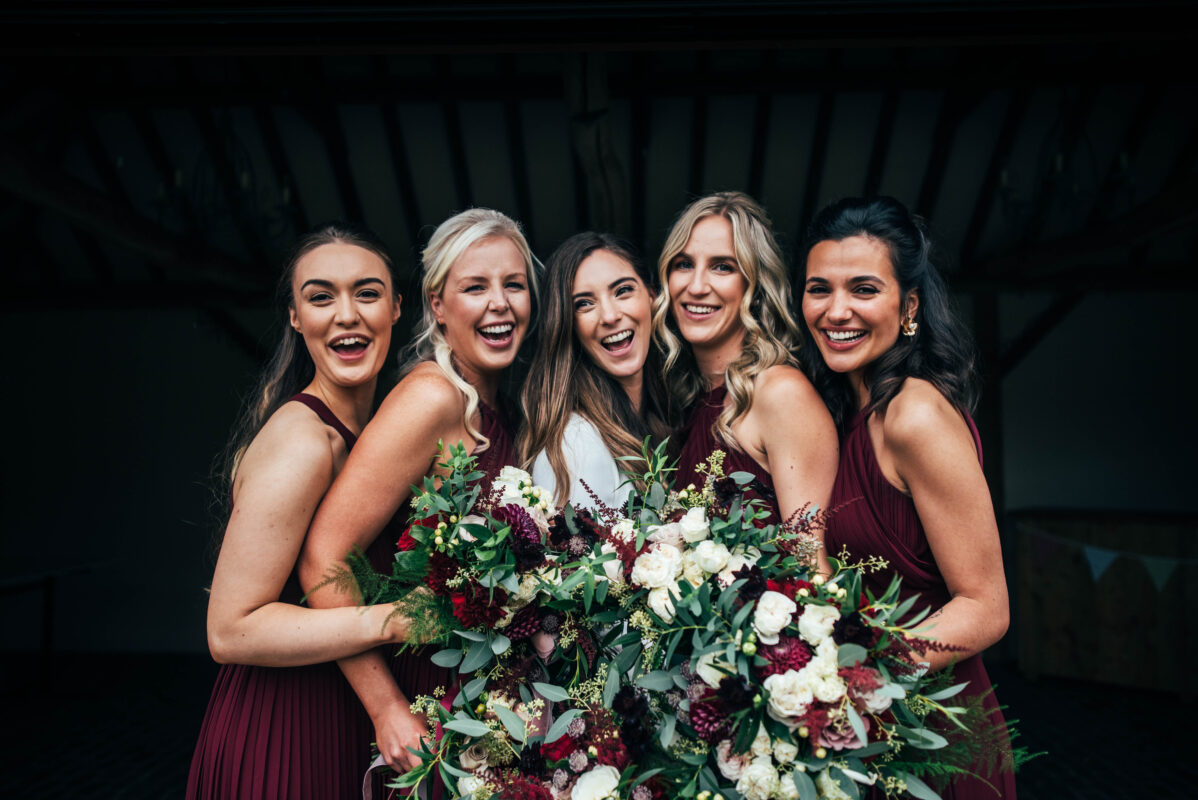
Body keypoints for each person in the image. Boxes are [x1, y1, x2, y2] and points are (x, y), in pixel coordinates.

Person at [298, 208, 537, 780]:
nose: (499, 303)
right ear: (437, 305)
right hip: (428, 694)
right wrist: (386, 708)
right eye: (475, 286)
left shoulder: (504, 404)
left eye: (514, 284)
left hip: (485, 698)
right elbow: (322, 558)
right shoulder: (431, 397)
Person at [799, 196, 1015, 798]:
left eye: (863, 289)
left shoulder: (913, 414)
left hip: (938, 735)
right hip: (870, 734)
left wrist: (860, 675)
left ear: (909, 305)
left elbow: (986, 606)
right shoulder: (847, 415)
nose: (836, 310)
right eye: (820, 288)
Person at [187, 224, 409, 799]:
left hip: (345, 719)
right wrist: (392, 619)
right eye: (320, 296)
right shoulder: (303, 441)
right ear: (295, 317)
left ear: (396, 308)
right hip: (281, 728)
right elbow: (230, 630)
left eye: (366, 293)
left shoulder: (382, 432)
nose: (346, 315)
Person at [653, 191, 838, 527]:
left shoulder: (780, 392)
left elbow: (810, 561)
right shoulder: (687, 399)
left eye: (722, 267)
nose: (696, 286)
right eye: (684, 264)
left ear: (754, 284)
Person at [518, 232, 671, 511]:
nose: (610, 316)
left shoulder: (653, 419)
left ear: (651, 296)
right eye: (584, 304)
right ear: (567, 325)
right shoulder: (576, 444)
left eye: (623, 290)